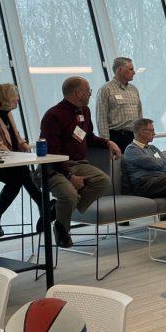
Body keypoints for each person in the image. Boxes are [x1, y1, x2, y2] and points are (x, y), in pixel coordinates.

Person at [40, 77, 120, 248]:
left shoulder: (85, 111)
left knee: (103, 181)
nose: (90, 93)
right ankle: (62, 228)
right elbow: (51, 153)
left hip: (79, 163)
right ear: (78, 93)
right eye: (88, 90)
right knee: (69, 194)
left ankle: (56, 210)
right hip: (55, 167)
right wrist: (70, 176)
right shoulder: (53, 115)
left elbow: (88, 137)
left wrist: (107, 143)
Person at [0, 84, 54, 238]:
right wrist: (22, 158)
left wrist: (24, 146)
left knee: (18, 177)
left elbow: (16, 139)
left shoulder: (7, 115)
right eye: (14, 95)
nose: (18, 99)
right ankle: (41, 202)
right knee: (20, 173)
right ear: (4, 98)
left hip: (5, 163)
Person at [96, 56, 142, 152]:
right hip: (117, 138)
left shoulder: (134, 89)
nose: (134, 72)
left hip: (134, 137)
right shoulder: (106, 89)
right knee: (119, 166)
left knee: (137, 166)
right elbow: (101, 119)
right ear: (120, 70)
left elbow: (139, 114)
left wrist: (141, 135)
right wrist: (107, 143)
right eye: (131, 69)